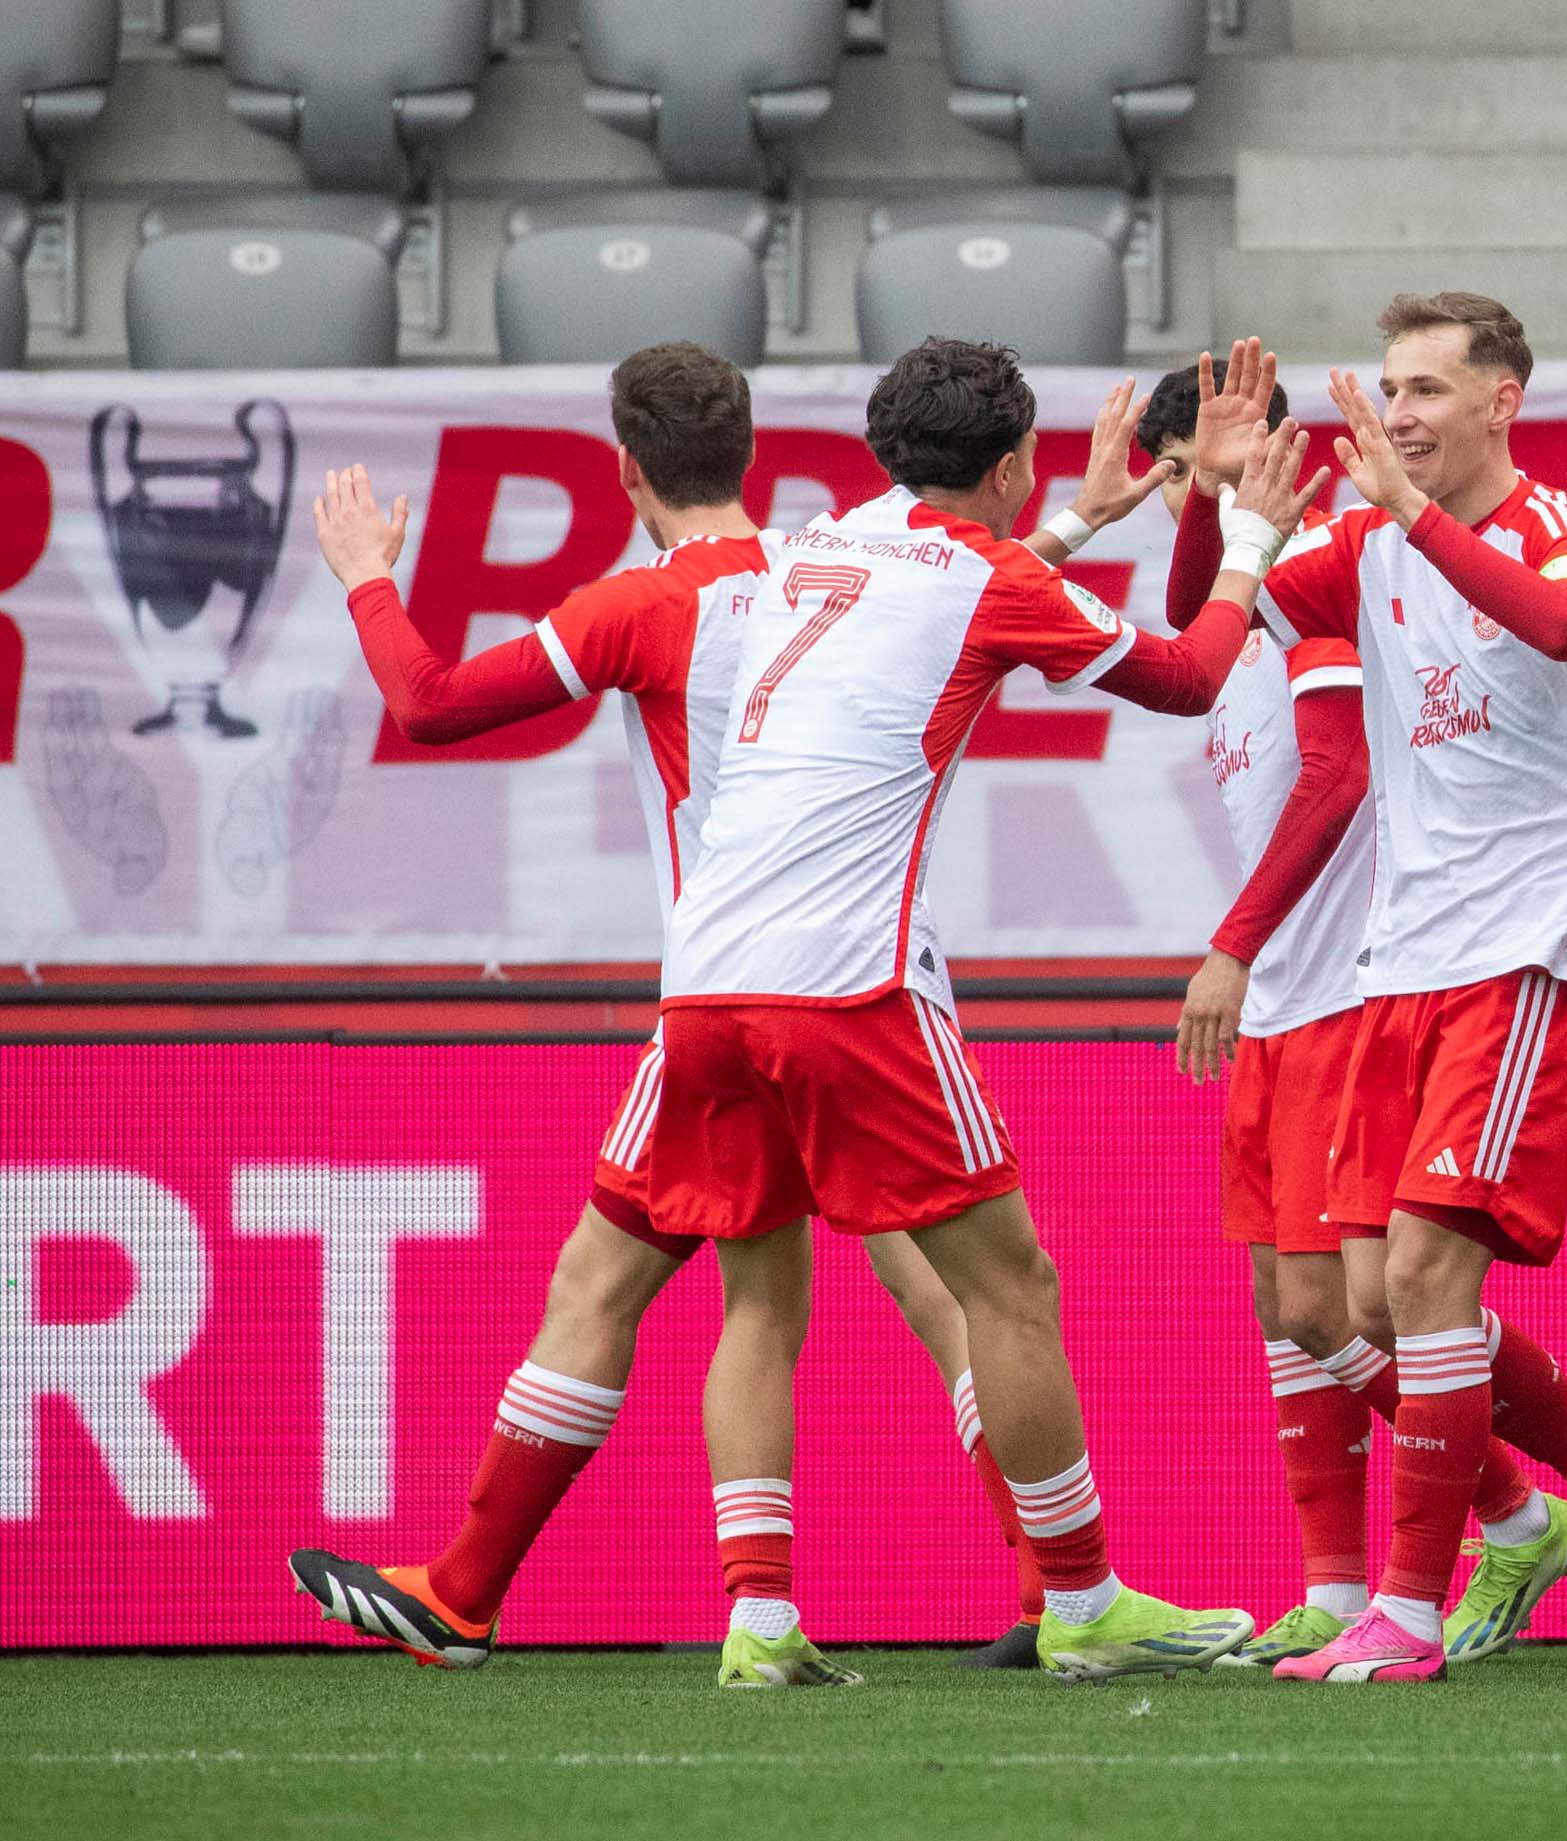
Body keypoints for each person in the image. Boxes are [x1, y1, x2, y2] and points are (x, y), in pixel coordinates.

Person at [282, 342, 1063, 1685]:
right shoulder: (834, 566)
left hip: (726, 989)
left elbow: (430, 704)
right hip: (876, 972)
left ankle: (477, 1590)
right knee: (931, 1288)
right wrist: (1091, 507)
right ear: (754, 454)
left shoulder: (641, 603)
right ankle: (1038, 1589)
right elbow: (985, 582)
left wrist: (366, 574)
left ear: (627, 468)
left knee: (625, 1283)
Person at [637, 337, 1305, 1683]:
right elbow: (1182, 679)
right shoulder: (990, 576)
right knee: (1008, 1285)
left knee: (755, 1299)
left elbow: (944, 594)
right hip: (848, 979)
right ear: (1005, 466)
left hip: (701, 978)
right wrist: (1246, 533)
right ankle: (1082, 1598)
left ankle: (758, 1619)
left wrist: (1078, 519)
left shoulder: (821, 545)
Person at [1201, 293, 1567, 1683]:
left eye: (1427, 389)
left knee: (1422, 1273)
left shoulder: (1562, 527)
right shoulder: (1360, 540)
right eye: (1388, 388)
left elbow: (1554, 627)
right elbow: (1212, 641)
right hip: (1400, 953)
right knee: (1368, 1306)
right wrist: (1218, 500)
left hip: (1524, 943)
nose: (1400, 412)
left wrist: (1407, 524)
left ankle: (1406, 1615)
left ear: (1503, 401)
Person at [1138, 343, 1560, 1667]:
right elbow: (1192, 624)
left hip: (1339, 981)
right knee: (1289, 1308)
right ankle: (1333, 1581)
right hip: (1285, 1001)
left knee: (1354, 1307)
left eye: (1185, 469)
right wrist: (1213, 512)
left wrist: (1232, 944)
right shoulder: (1257, 583)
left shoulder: (1340, 560)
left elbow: (1333, 780)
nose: (1171, 497)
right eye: (1167, 474)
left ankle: (1527, 1505)